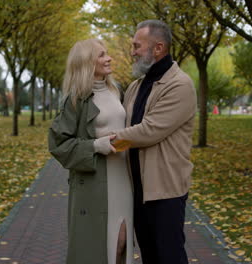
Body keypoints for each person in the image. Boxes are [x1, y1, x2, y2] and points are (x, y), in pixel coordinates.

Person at [110, 20, 197, 263]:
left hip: (165, 190)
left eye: (137, 46)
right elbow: (124, 124)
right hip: (138, 188)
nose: (132, 51)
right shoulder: (137, 85)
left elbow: (149, 131)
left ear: (158, 48)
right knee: (149, 255)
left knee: (169, 256)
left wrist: (107, 143)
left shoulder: (180, 85)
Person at [48, 39, 134, 264]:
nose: (109, 58)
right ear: (87, 62)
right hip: (95, 184)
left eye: (107, 53)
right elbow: (58, 145)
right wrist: (96, 145)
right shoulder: (75, 100)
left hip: (124, 178)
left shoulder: (115, 91)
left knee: (122, 242)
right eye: (102, 55)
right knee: (97, 248)